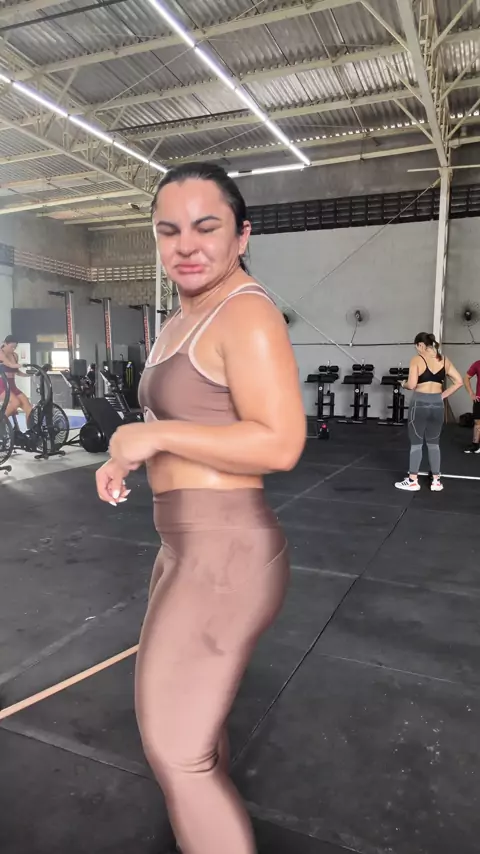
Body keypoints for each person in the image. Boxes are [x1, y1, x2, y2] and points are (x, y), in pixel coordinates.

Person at [95, 162, 306, 854]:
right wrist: (126, 455)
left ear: (241, 235)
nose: (185, 244)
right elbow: (187, 419)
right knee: (194, 739)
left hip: (227, 553)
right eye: (168, 230)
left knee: (177, 752)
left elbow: (280, 443)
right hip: (184, 546)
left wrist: (154, 436)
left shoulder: (245, 311)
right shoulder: (183, 317)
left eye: (205, 227)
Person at [395, 332, 463, 492]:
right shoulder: (444, 360)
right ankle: (436, 481)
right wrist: (441, 396)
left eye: (416, 347)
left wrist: (403, 383)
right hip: (437, 405)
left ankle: (413, 481)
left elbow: (412, 385)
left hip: (419, 404)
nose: (416, 350)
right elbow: (459, 382)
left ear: (420, 345)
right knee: (434, 444)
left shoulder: (417, 360)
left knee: (416, 444)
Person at [0, 335, 33, 419]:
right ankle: (1, 421)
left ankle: (31, 427)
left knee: (28, 407)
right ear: (5, 344)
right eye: (11, 347)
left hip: (12, 385)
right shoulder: (1, 353)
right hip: (2, 385)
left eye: (15, 347)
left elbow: (17, 371)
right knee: (15, 402)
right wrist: (22, 365)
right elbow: (9, 364)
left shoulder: (15, 355)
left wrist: (29, 375)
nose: (13, 349)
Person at [463, 358, 480, 454]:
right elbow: (466, 378)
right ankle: (475, 446)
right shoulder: (477, 364)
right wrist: (471, 393)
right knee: (478, 422)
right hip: (479, 399)